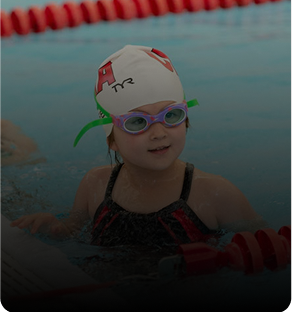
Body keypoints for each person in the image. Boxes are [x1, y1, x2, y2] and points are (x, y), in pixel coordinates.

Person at [11, 45, 265, 246]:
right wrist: (52, 228)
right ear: (111, 139)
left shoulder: (216, 194)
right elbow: (71, 234)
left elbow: (268, 245)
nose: (158, 132)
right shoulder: (95, 185)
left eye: (171, 115)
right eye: (136, 122)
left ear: (186, 120)